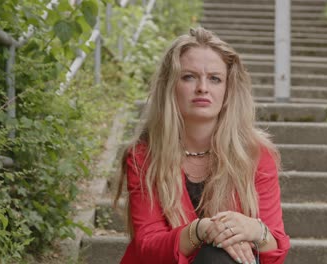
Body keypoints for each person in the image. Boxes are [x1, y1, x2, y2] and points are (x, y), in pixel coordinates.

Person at [114, 27, 290, 264]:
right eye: (189, 77)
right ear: (170, 86)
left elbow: (275, 251)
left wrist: (254, 230)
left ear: (228, 90)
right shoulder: (144, 156)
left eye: (215, 79)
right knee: (217, 252)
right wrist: (201, 230)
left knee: (220, 255)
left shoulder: (256, 155)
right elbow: (149, 247)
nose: (202, 88)